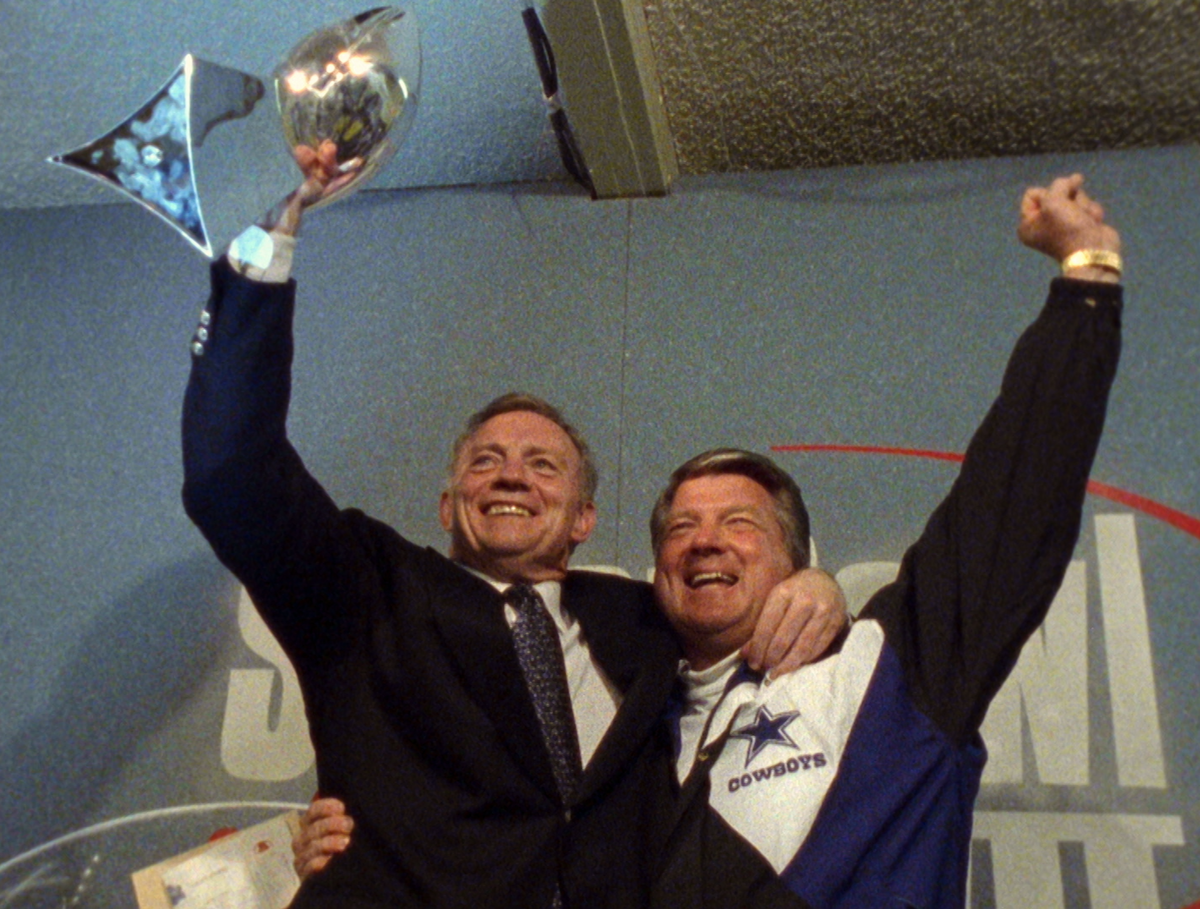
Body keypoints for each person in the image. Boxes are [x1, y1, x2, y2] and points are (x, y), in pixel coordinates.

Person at [293, 174, 1123, 909]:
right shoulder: (632, 733)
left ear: (795, 559)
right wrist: (363, 842)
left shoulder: (886, 671)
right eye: (682, 528)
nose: (704, 543)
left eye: (740, 523)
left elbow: (1012, 501)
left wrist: (1085, 281)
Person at [181, 141, 848, 909]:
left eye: (543, 465)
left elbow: (744, 609)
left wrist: (819, 589)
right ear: (447, 506)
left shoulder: (645, 619)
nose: (511, 476)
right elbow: (230, 471)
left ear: (584, 517)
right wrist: (266, 245)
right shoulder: (366, 590)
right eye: (486, 461)